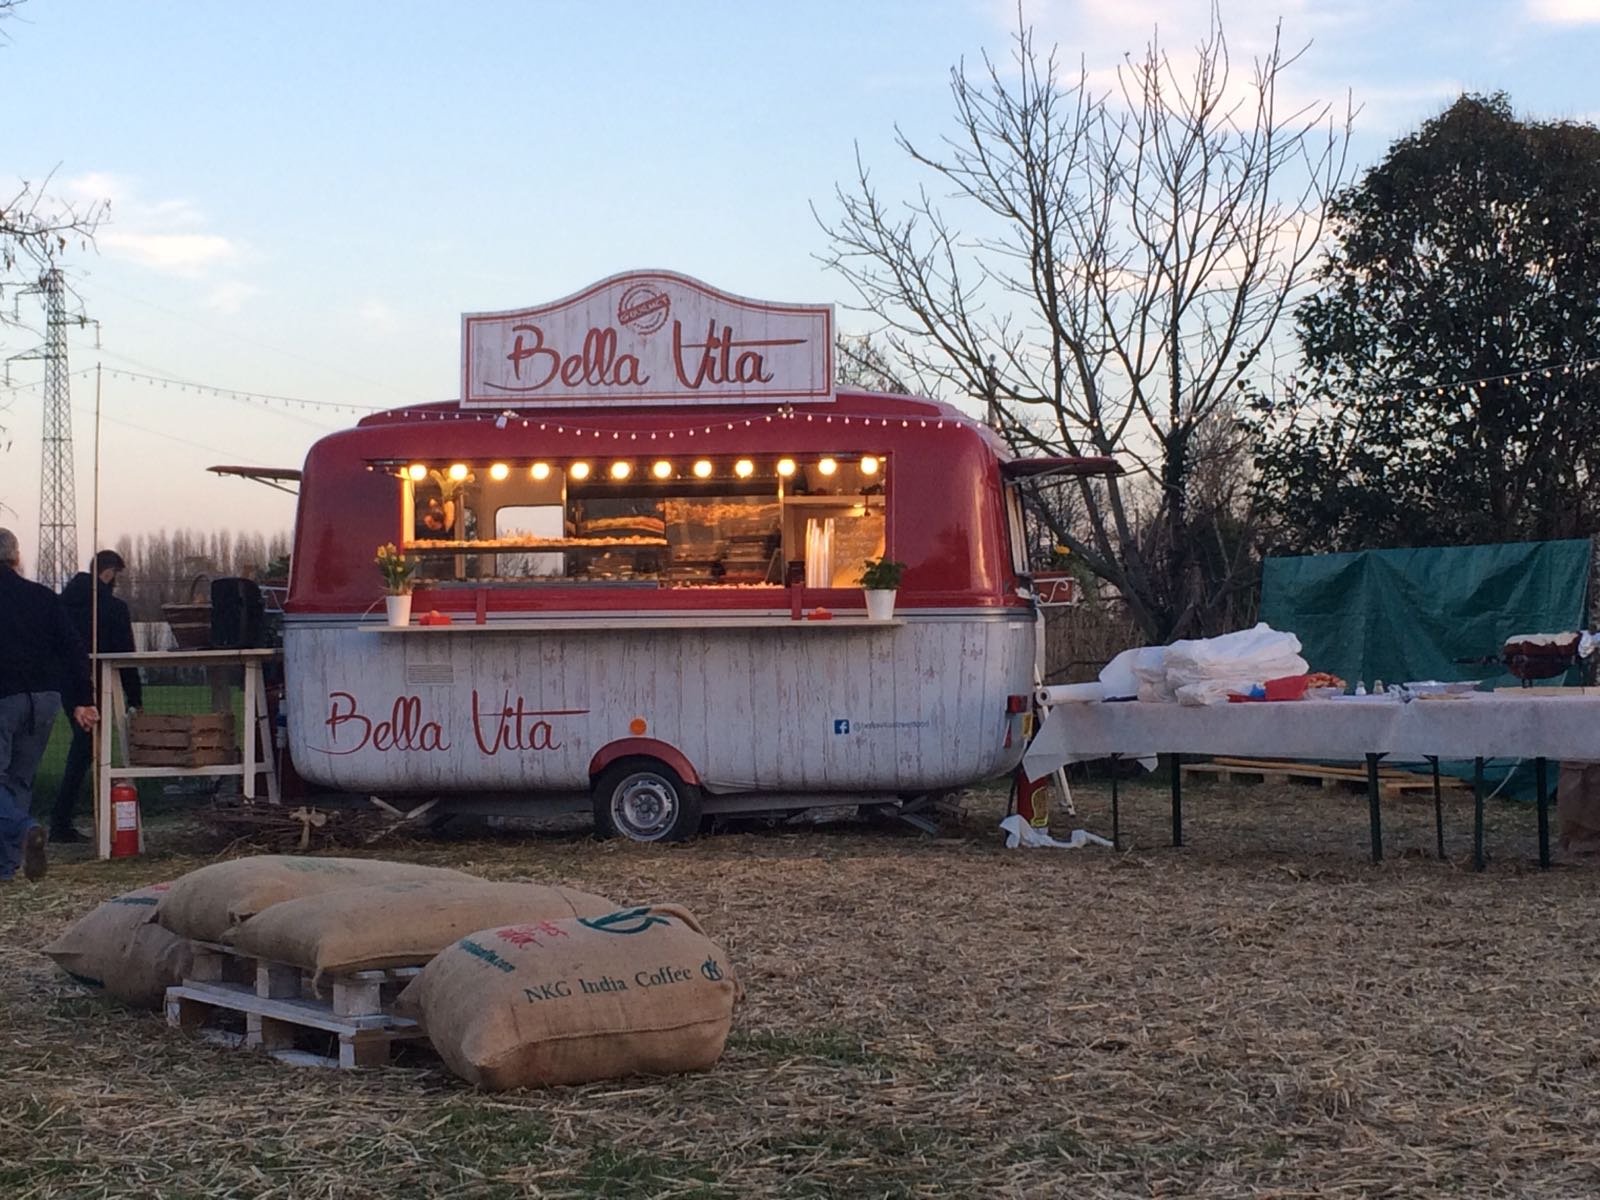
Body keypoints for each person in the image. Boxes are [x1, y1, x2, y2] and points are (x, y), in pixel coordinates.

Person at [0, 529, 98, 882]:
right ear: (16, 557)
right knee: (19, 782)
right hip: (45, 699)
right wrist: (83, 698)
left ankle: (23, 829)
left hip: (3, 697)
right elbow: (73, 648)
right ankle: (7, 866)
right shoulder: (42, 596)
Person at [49, 549, 142, 842]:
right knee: (86, 748)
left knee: (85, 745)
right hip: (98, 683)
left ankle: (65, 819)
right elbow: (125, 656)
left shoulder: (62, 604)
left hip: (66, 684)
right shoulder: (113, 609)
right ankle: (62, 821)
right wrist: (135, 696)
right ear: (109, 572)